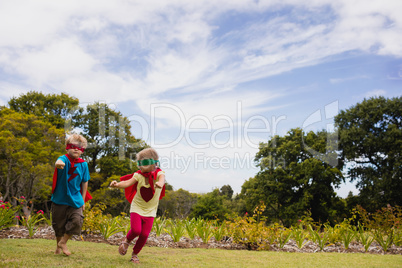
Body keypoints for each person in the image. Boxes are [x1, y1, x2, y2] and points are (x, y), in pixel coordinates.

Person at [110, 147, 165, 264]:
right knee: (136, 230)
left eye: (143, 162)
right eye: (139, 163)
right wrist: (117, 185)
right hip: (137, 207)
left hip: (150, 210)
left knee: (144, 234)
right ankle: (126, 241)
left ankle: (135, 254)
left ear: (154, 162)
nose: (140, 166)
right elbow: (127, 182)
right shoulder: (138, 175)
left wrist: (160, 183)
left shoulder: (159, 173)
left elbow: (161, 178)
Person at [51, 133, 92, 256]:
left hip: (76, 199)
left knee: (77, 220)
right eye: (73, 146)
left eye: (79, 147)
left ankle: (63, 242)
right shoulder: (63, 159)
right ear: (67, 148)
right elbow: (59, 161)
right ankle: (58, 246)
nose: (76, 149)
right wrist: (58, 164)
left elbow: (85, 182)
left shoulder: (83, 164)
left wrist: (83, 200)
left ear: (82, 150)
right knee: (59, 224)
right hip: (60, 198)